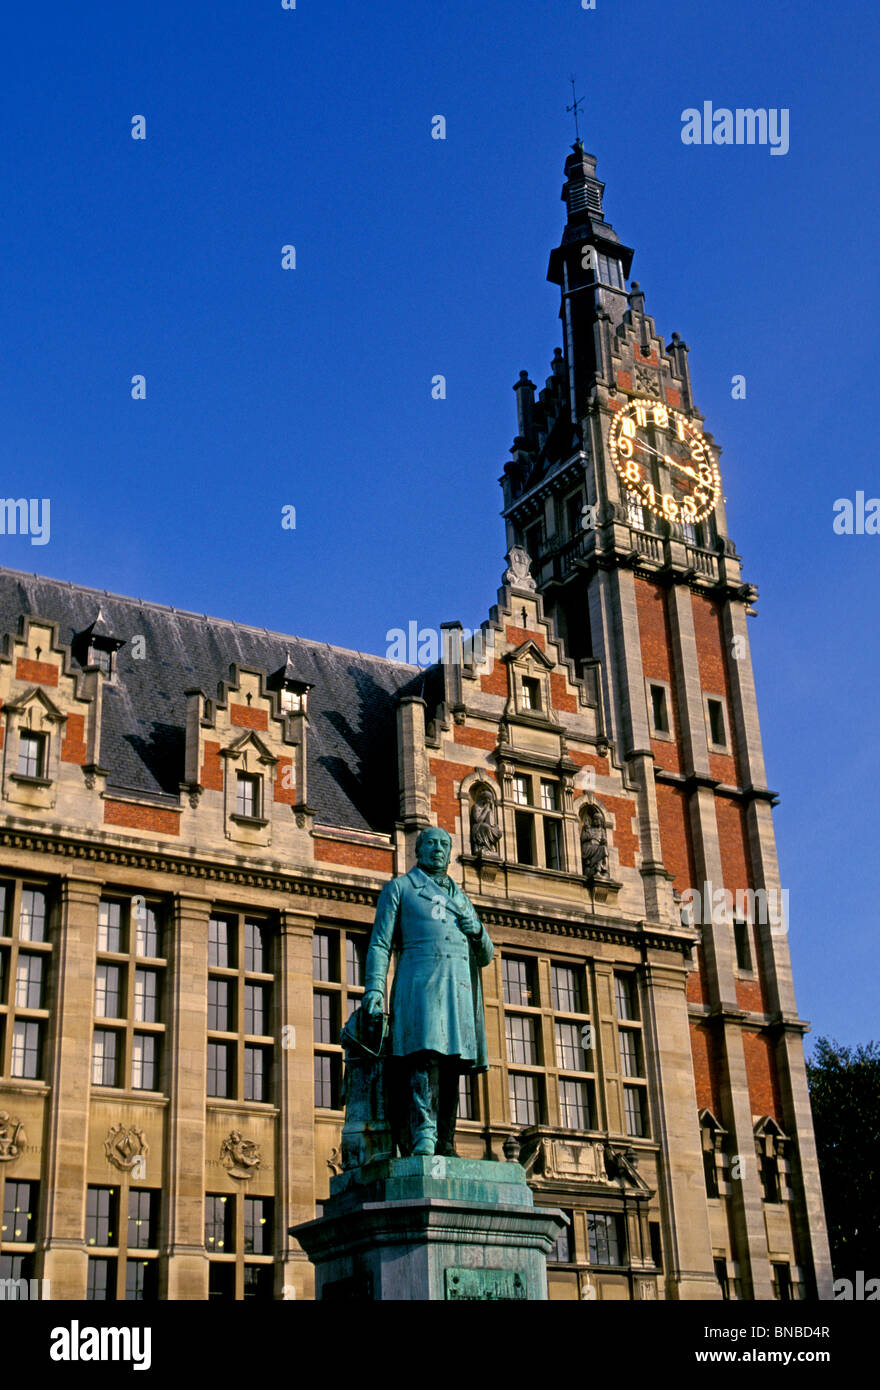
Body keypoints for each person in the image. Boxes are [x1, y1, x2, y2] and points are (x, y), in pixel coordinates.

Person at [362, 826, 494, 1156]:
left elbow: (487, 954)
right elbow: (380, 943)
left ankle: (447, 1141)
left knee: (453, 1063)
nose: (438, 849)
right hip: (420, 985)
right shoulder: (401, 889)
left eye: (444, 845)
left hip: (458, 990)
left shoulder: (462, 898)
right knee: (424, 1057)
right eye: (431, 843)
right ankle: (424, 1133)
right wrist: (375, 989)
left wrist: (476, 929)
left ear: (450, 854)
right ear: (418, 851)